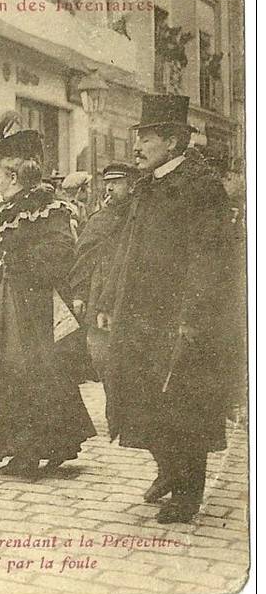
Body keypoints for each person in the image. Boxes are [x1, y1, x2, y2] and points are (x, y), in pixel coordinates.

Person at [97, 95, 233, 524]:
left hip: (180, 320)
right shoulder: (146, 183)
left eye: (147, 138)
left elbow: (210, 258)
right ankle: (168, 470)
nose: (136, 146)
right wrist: (107, 300)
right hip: (139, 318)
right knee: (138, 401)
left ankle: (188, 490)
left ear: (173, 141)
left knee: (182, 406)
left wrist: (192, 319)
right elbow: (127, 249)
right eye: (138, 137)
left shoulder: (200, 185)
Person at [0, 130, 96, 476]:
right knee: (5, 376)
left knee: (32, 379)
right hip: (8, 307)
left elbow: (61, 253)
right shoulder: (3, 211)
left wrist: (16, 260)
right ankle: (27, 449)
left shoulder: (50, 209)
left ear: (13, 177)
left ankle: (32, 452)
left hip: (38, 311)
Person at [67, 163, 139, 383]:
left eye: (116, 183)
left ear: (131, 186)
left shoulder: (139, 217)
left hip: (131, 299)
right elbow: (82, 258)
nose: (109, 188)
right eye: (107, 183)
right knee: (102, 360)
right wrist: (79, 294)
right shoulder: (99, 219)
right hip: (98, 298)